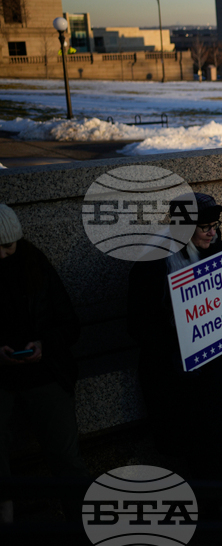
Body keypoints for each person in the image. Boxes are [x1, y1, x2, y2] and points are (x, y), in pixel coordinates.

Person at [127, 194, 222, 518]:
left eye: (215, 226)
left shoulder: (218, 252)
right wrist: (178, 337)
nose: (212, 233)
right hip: (189, 394)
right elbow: (139, 326)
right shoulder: (153, 265)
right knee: (206, 479)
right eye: (203, 227)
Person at [0, 204, 90, 524]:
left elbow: (69, 324)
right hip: (3, 376)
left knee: (66, 456)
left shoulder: (33, 262)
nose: (2, 254)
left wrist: (43, 345)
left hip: (45, 370)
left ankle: (80, 523)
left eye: (8, 246)